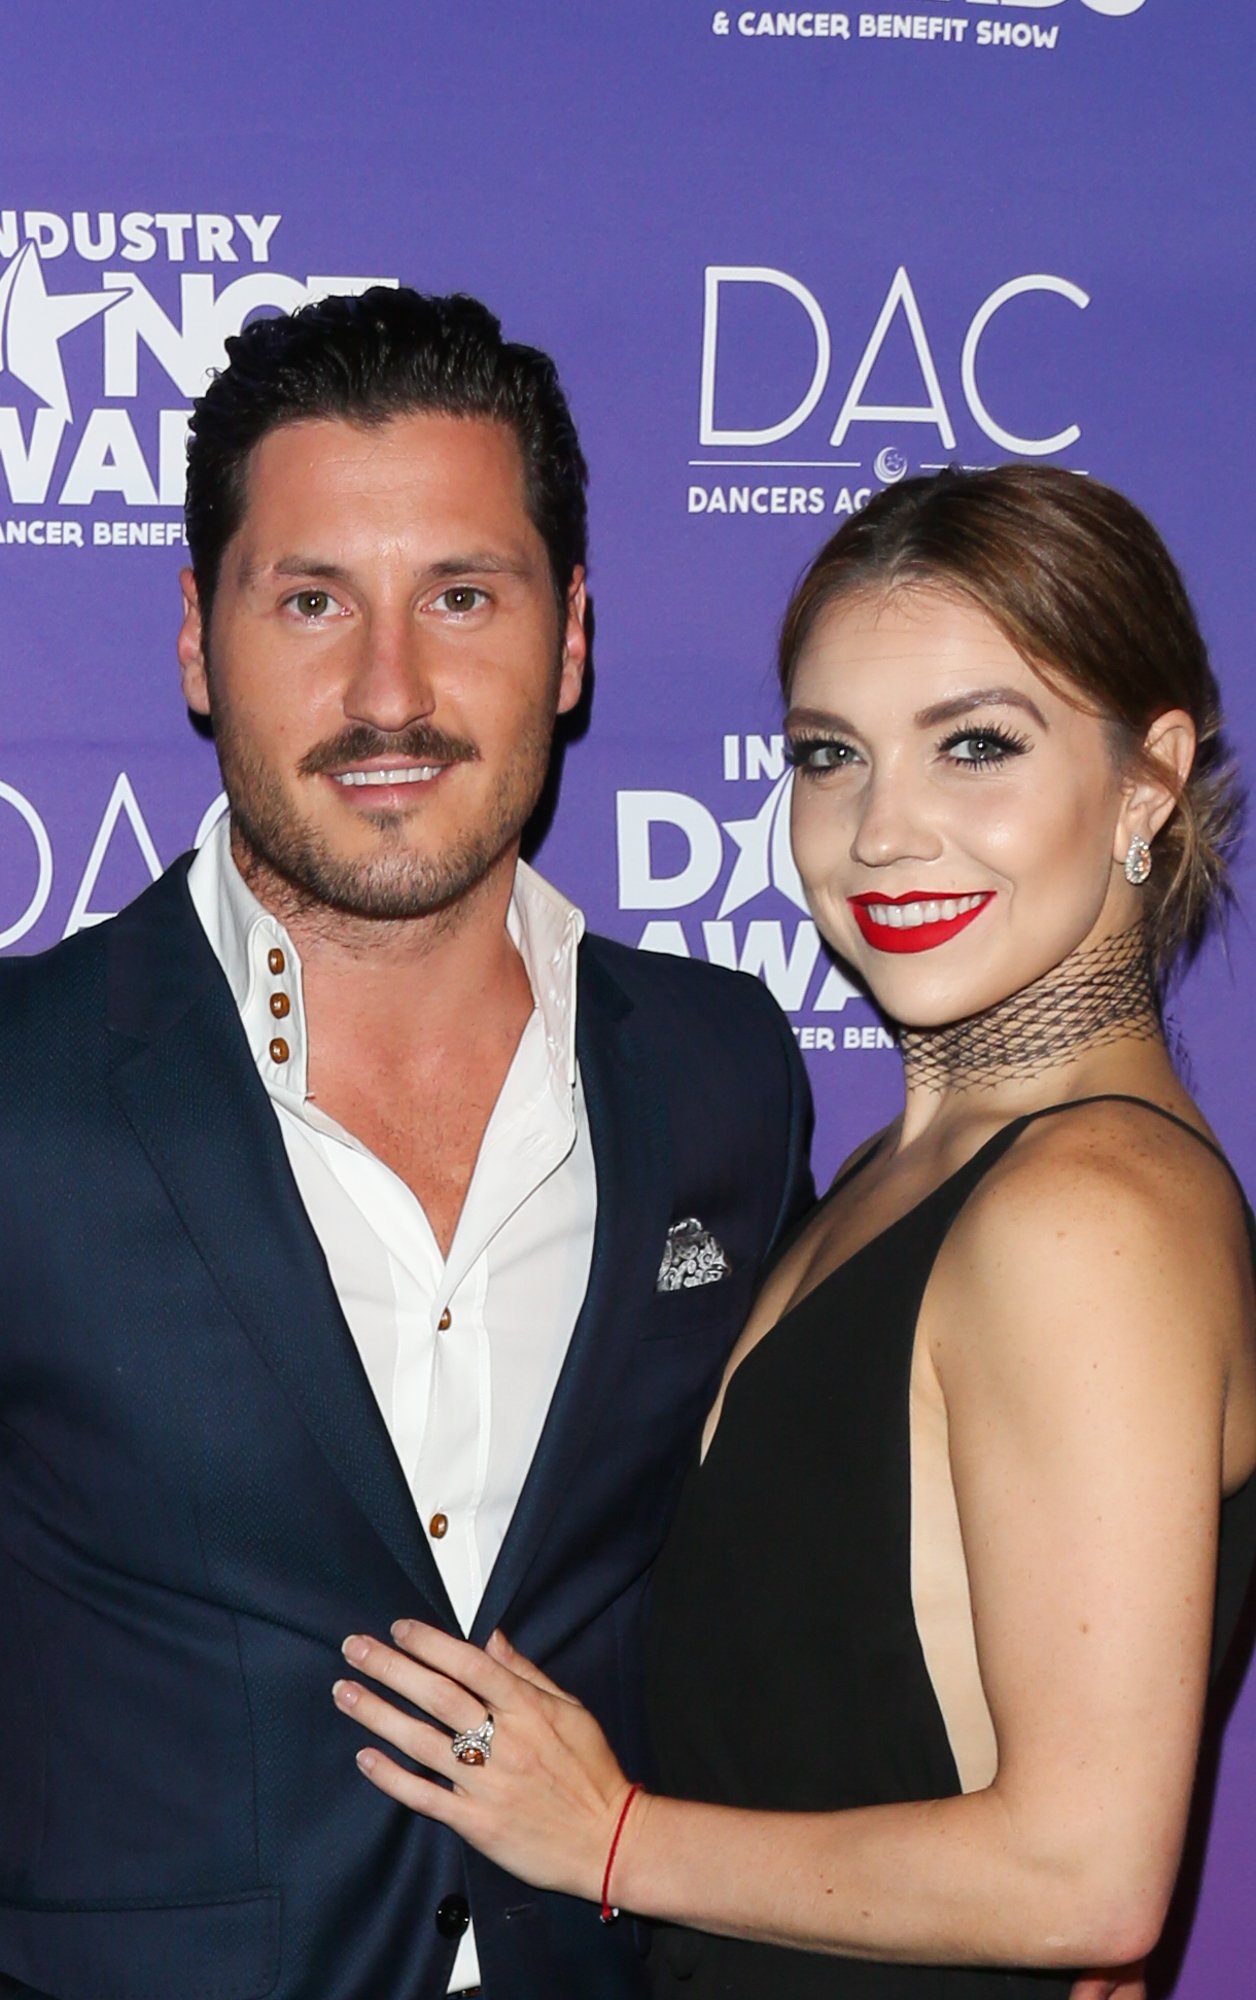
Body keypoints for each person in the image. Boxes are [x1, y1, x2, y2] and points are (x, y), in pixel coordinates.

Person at [0, 288, 815, 2000]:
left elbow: (800, 1596)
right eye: (309, 601)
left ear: (570, 638)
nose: (389, 691)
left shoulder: (727, 1070)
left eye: (462, 595)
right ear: (200, 642)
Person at [335, 465, 1256, 1999]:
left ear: (1148, 781)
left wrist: (612, 1838)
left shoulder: (1086, 1215)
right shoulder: (909, 1169)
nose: (885, 831)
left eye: (977, 747)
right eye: (833, 756)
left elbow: (1084, 1876)